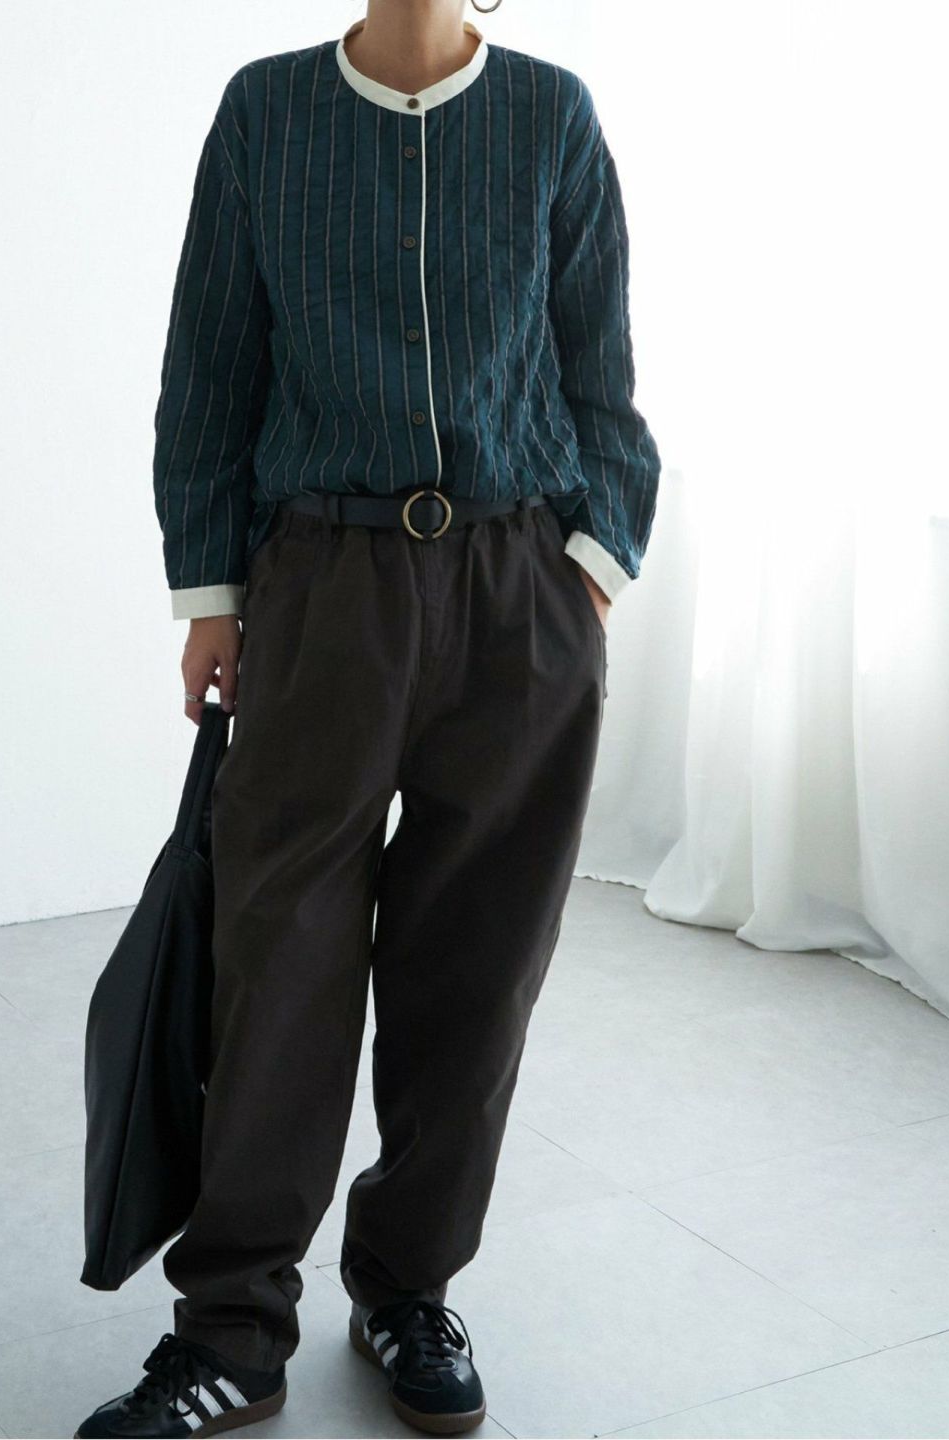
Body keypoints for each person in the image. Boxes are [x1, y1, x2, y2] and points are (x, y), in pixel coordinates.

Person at [76, 1, 660, 1435]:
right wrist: (212, 593)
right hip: (320, 589)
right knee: (275, 967)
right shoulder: (265, 112)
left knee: (477, 969)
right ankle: (233, 1329)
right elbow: (210, 367)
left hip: (519, 594)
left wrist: (590, 570)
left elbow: (601, 370)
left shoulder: (551, 115)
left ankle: (407, 1288)